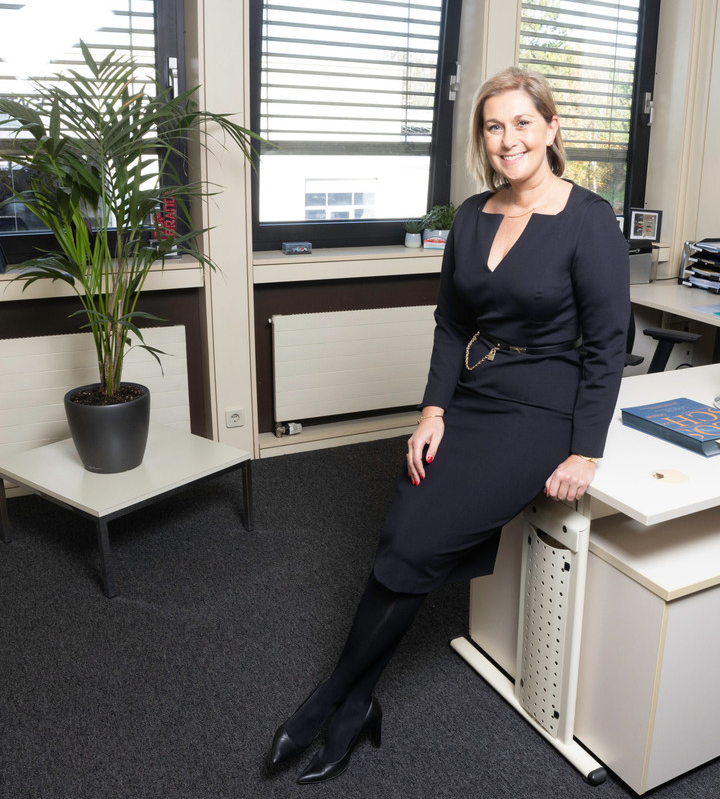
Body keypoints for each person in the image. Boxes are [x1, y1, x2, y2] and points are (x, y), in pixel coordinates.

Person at [266, 67, 630, 785]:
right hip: (473, 395)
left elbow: (607, 345)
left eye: (523, 122)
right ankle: (354, 702)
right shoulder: (471, 215)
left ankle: (327, 701)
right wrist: (432, 410)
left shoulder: (589, 220)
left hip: (540, 408)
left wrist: (586, 451)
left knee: (418, 539)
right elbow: (451, 324)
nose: (508, 139)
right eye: (494, 127)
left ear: (552, 129)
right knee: (402, 531)